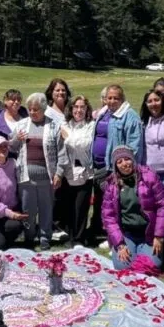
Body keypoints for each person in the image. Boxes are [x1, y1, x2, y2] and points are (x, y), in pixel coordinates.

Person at [8, 92, 67, 250]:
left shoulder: (54, 125)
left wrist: (59, 173)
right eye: (30, 109)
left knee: (46, 209)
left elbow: (61, 152)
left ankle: (44, 238)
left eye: (36, 109)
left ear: (43, 109)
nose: (32, 112)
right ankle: (28, 237)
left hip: (47, 177)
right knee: (28, 209)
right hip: (25, 176)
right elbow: (10, 147)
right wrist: (16, 139)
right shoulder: (21, 124)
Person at [91, 84, 143, 249]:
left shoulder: (130, 117)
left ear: (122, 99)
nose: (112, 101)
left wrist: (124, 170)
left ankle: (119, 238)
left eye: (116, 98)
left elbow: (134, 147)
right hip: (105, 167)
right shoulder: (108, 114)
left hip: (120, 170)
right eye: (109, 97)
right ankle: (110, 234)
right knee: (109, 204)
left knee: (119, 204)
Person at [101, 145, 164, 272]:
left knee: (152, 265)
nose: (124, 164)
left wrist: (158, 236)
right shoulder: (111, 185)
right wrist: (120, 244)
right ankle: (132, 251)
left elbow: (162, 206)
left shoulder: (150, 177)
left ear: (133, 159)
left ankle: (147, 251)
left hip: (148, 233)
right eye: (119, 162)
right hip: (126, 234)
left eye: (127, 159)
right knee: (122, 266)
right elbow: (108, 217)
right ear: (115, 166)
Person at [0, 136, 32, 250]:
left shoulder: (13, 164)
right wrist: (12, 214)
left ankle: (4, 238)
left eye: (5, 146)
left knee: (16, 226)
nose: (3, 149)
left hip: (10, 212)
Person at [60, 96, 96, 244]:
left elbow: (83, 144)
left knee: (81, 207)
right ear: (71, 108)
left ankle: (80, 238)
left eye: (82, 107)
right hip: (68, 171)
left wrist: (68, 139)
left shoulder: (91, 125)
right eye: (76, 107)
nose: (79, 110)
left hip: (85, 171)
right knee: (68, 206)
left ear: (87, 109)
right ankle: (70, 235)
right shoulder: (66, 124)